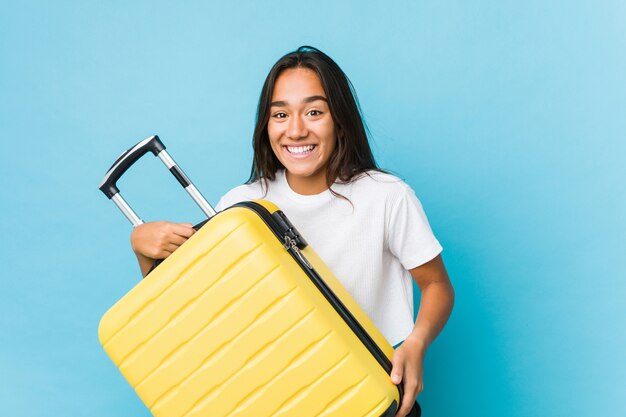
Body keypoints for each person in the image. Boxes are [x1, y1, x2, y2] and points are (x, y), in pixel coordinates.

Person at [130, 46, 454, 417]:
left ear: (340, 119)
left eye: (314, 112)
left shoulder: (386, 195)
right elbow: (194, 313)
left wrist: (416, 343)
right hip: (275, 399)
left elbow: (436, 284)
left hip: (370, 395)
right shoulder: (241, 204)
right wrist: (145, 252)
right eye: (280, 114)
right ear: (265, 126)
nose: (296, 130)